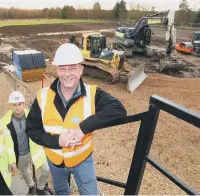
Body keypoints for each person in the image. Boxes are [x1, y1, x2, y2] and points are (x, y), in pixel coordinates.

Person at [25, 43, 127, 195]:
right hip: (55, 160)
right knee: (61, 191)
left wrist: (83, 128)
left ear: (81, 69)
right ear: (57, 70)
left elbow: (118, 110)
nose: (67, 74)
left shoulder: (93, 94)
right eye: (62, 68)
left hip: (82, 160)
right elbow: (32, 129)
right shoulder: (43, 96)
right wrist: (56, 141)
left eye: (72, 68)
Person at [1, 91, 51, 195]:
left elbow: (42, 130)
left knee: (47, 169)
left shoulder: (33, 117)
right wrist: (11, 161)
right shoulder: (4, 123)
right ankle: (31, 186)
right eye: (14, 105)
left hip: (35, 151)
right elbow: (5, 143)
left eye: (19, 104)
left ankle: (40, 188)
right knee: (25, 171)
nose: (17, 107)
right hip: (19, 155)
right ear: (10, 105)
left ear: (24, 104)